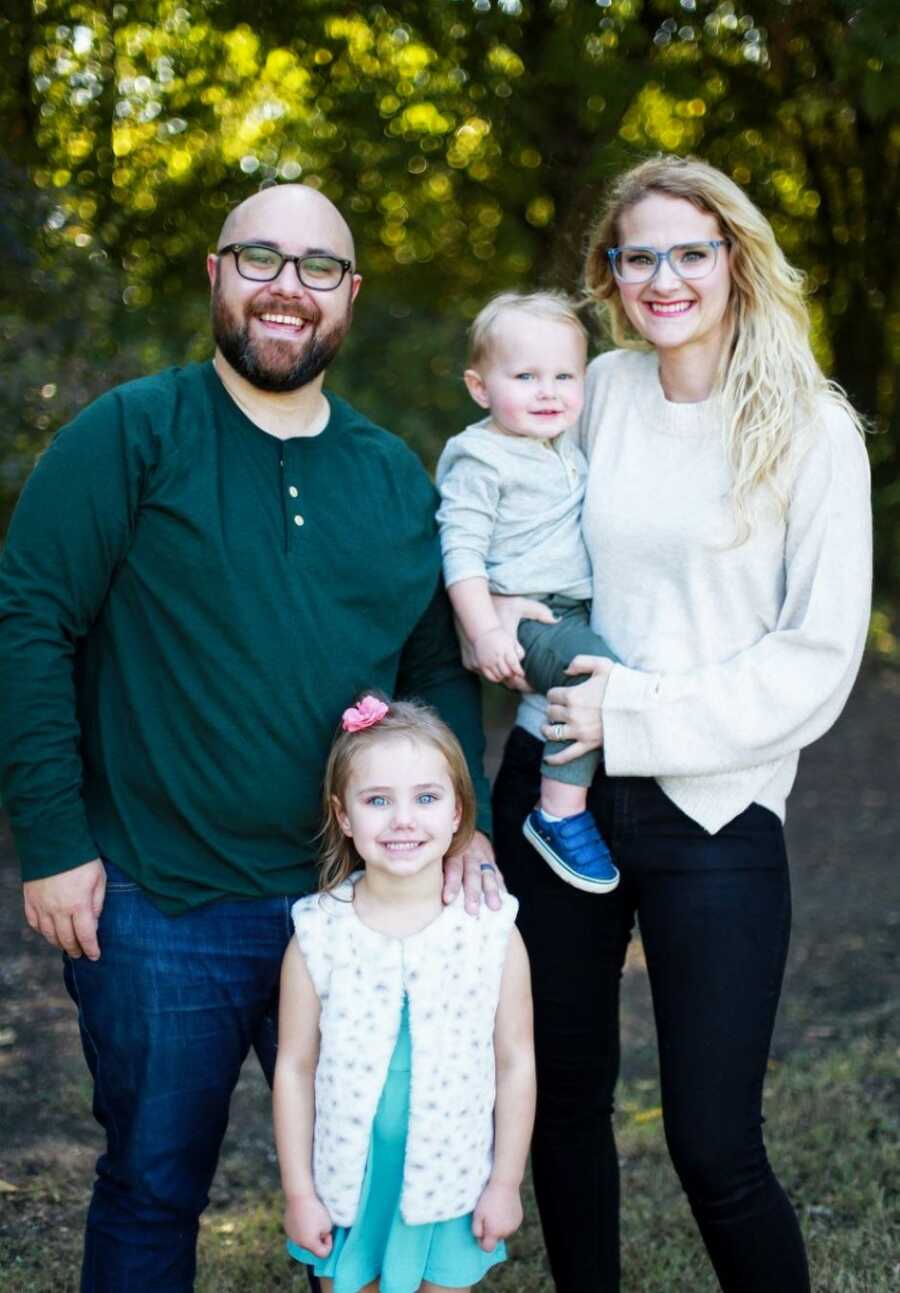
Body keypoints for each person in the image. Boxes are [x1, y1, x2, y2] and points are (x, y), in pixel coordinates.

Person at [0, 184, 501, 1293]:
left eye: (318, 266)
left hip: (360, 907)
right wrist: (51, 838)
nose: (288, 286)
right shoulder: (132, 433)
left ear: (350, 296)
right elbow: (28, 618)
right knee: (150, 1182)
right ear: (217, 275)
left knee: (367, 1185)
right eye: (261, 258)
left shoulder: (388, 476)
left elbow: (433, 672)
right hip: (155, 902)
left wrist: (470, 830)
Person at [489, 155, 872, 1292]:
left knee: (715, 1142)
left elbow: (817, 659)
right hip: (556, 784)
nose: (665, 277)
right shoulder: (593, 389)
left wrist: (637, 711)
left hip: (716, 800)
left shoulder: (810, 428)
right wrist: (499, 600)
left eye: (690, 251)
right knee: (561, 1103)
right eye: (638, 254)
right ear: (610, 273)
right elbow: (515, 520)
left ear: (736, 260)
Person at [274, 694, 535, 1293]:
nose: (402, 820)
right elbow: (294, 1066)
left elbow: (516, 1061)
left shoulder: (490, 931)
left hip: (451, 1180)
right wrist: (299, 1193)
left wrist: (504, 1184)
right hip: (351, 1183)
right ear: (343, 816)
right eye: (377, 801)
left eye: (425, 797)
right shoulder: (318, 931)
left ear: (457, 813)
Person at [436, 291, 619, 895]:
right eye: (526, 376)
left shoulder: (560, 442)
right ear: (480, 387)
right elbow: (459, 551)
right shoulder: (481, 459)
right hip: (526, 613)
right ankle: (559, 813)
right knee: (595, 676)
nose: (549, 392)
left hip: (568, 606)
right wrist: (486, 628)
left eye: (565, 376)